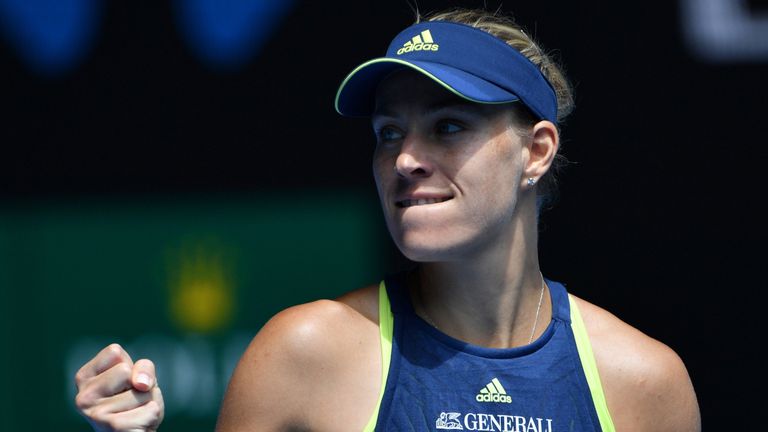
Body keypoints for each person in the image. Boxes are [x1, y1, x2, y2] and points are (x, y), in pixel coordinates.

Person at [74, 8, 701, 431]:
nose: (404, 159)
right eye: (388, 132)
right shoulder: (303, 353)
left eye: (447, 126)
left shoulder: (647, 383)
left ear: (536, 151)